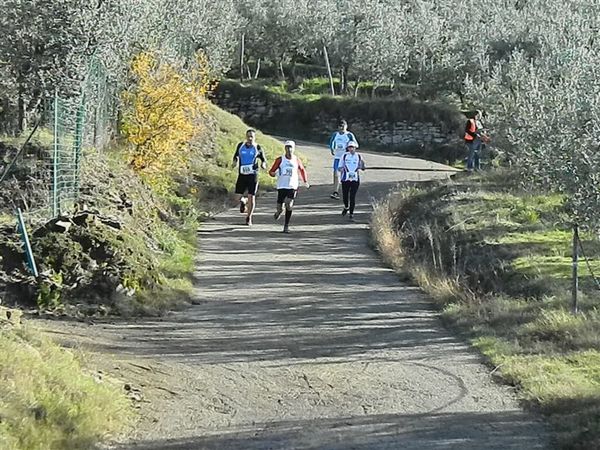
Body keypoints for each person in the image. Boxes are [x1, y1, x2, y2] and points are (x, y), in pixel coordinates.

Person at [268, 140, 309, 233]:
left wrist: (305, 181)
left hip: (292, 185)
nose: (289, 149)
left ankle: (286, 226)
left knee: (289, 204)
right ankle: (278, 212)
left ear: (293, 149)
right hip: (282, 185)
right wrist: (273, 174)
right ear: (285, 148)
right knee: (280, 207)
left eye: (291, 147)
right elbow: (271, 171)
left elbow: (302, 170)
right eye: (287, 147)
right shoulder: (280, 159)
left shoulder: (296, 160)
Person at [232, 129, 267, 226]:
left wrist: (263, 165)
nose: (250, 138)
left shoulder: (257, 147)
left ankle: (249, 217)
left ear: (254, 138)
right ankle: (244, 201)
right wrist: (234, 162)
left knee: (252, 197)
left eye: (252, 136)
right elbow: (235, 156)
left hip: (253, 175)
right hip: (242, 175)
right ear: (246, 136)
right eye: (248, 136)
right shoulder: (240, 146)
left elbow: (263, 160)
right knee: (237, 198)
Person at [328, 119, 358, 199]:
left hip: (346, 158)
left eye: (343, 126)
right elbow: (331, 142)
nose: (341, 128)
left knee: (346, 175)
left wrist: (349, 148)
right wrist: (332, 149)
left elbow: (356, 145)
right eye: (340, 126)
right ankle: (335, 191)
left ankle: (348, 190)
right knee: (335, 174)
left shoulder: (349, 135)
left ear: (346, 126)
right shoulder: (335, 134)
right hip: (337, 157)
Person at [338, 141, 365, 220]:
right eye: (349, 147)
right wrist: (342, 169)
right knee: (345, 197)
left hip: (355, 180)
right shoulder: (344, 156)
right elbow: (339, 167)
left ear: (355, 148)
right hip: (345, 179)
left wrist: (362, 166)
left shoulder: (358, 156)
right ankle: (346, 207)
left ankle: (351, 213)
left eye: (352, 147)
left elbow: (363, 167)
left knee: (352, 197)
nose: (351, 149)